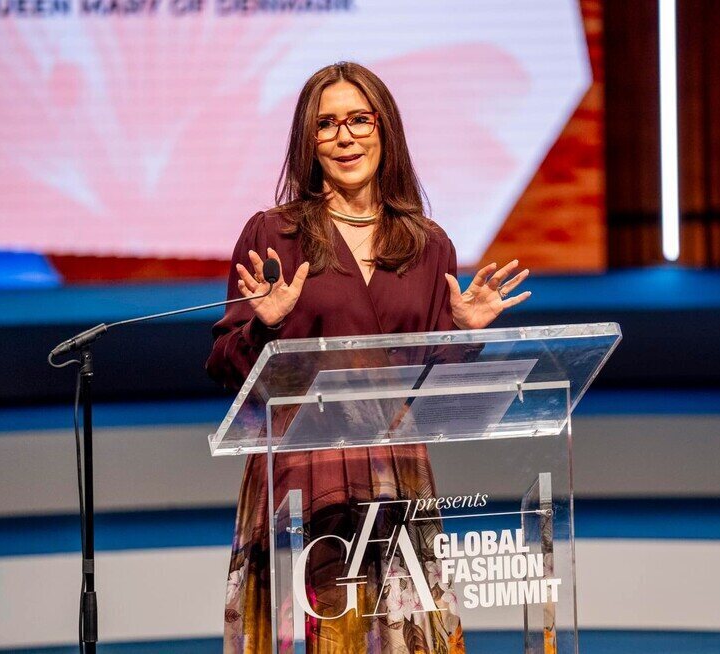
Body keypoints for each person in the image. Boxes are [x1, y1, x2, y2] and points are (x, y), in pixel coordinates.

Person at [206, 61, 531, 654]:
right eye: (327, 124)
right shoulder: (273, 235)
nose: (345, 136)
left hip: (398, 474)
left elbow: (431, 395)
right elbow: (226, 365)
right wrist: (264, 324)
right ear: (309, 141)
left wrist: (460, 334)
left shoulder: (427, 244)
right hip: (306, 477)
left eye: (360, 119)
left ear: (386, 131)